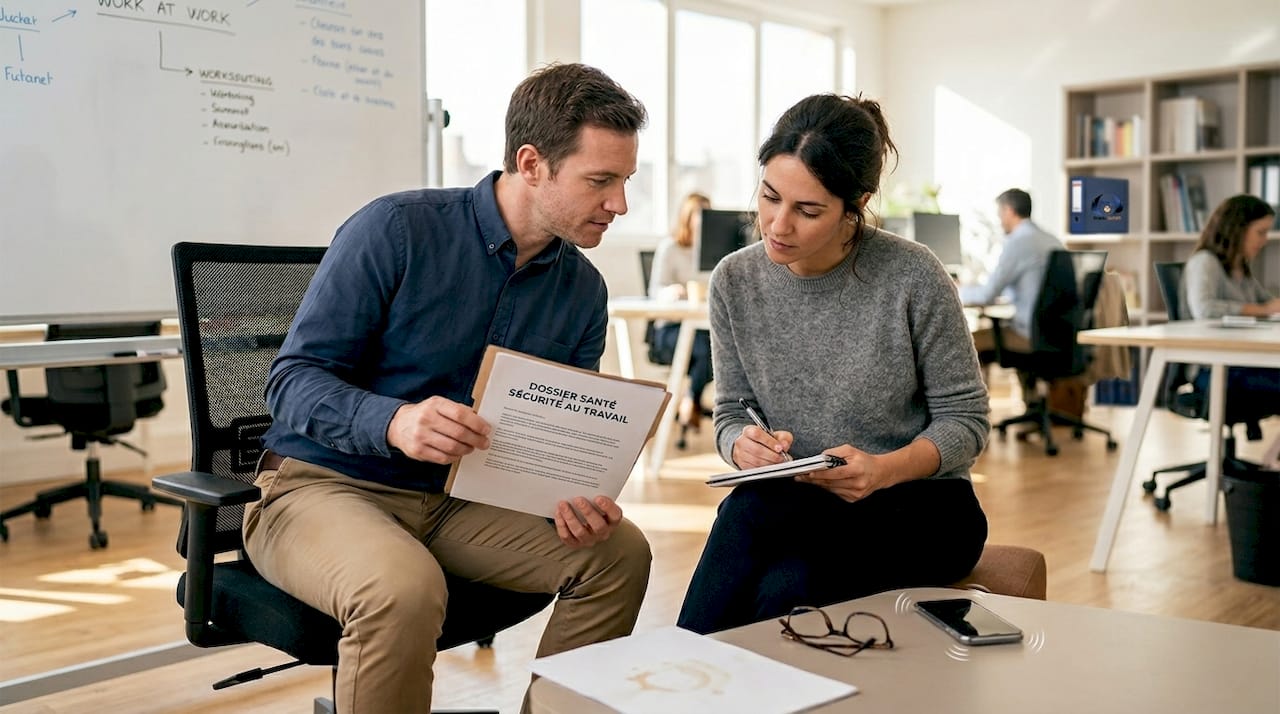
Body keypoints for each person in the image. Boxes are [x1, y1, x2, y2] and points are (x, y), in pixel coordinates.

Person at [242, 63, 653, 712]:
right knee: (403, 588)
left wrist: (574, 492)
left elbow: (566, 433)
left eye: (625, 181)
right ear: (532, 163)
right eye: (600, 181)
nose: (620, 205)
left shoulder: (583, 291)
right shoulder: (396, 231)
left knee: (618, 553)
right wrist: (393, 421)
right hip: (325, 485)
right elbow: (290, 383)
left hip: (463, 502)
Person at [676, 94, 990, 635]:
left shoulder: (913, 276)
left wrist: (882, 469)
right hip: (801, 501)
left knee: (781, 580)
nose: (777, 224)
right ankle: (683, 682)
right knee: (752, 517)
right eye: (770, 196)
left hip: (919, 505)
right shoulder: (735, 280)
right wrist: (739, 445)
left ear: (856, 204)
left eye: (808, 210)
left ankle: (678, 679)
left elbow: (967, 422)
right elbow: (730, 410)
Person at [1181, 193, 1280, 400]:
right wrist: (1264, 310)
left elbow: (1267, 302)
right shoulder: (1205, 262)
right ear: (1238, 230)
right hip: (1213, 370)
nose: (1264, 241)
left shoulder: (1240, 268)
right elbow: (1204, 309)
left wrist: (1270, 306)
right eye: (1260, 232)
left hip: (1243, 363)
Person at [964, 188, 1065, 361]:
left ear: (1008, 211)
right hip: (1058, 335)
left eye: (999, 214)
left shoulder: (1018, 242)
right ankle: (1028, 387)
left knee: (964, 342)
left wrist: (955, 289)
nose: (999, 221)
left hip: (1028, 336)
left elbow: (987, 295)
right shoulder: (1053, 241)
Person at [648, 191, 714, 435]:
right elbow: (655, 290)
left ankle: (690, 399)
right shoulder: (671, 248)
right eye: (700, 214)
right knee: (704, 347)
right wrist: (672, 292)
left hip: (702, 328)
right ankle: (692, 400)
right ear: (687, 217)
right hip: (670, 331)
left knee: (717, 347)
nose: (704, 220)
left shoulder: (713, 252)